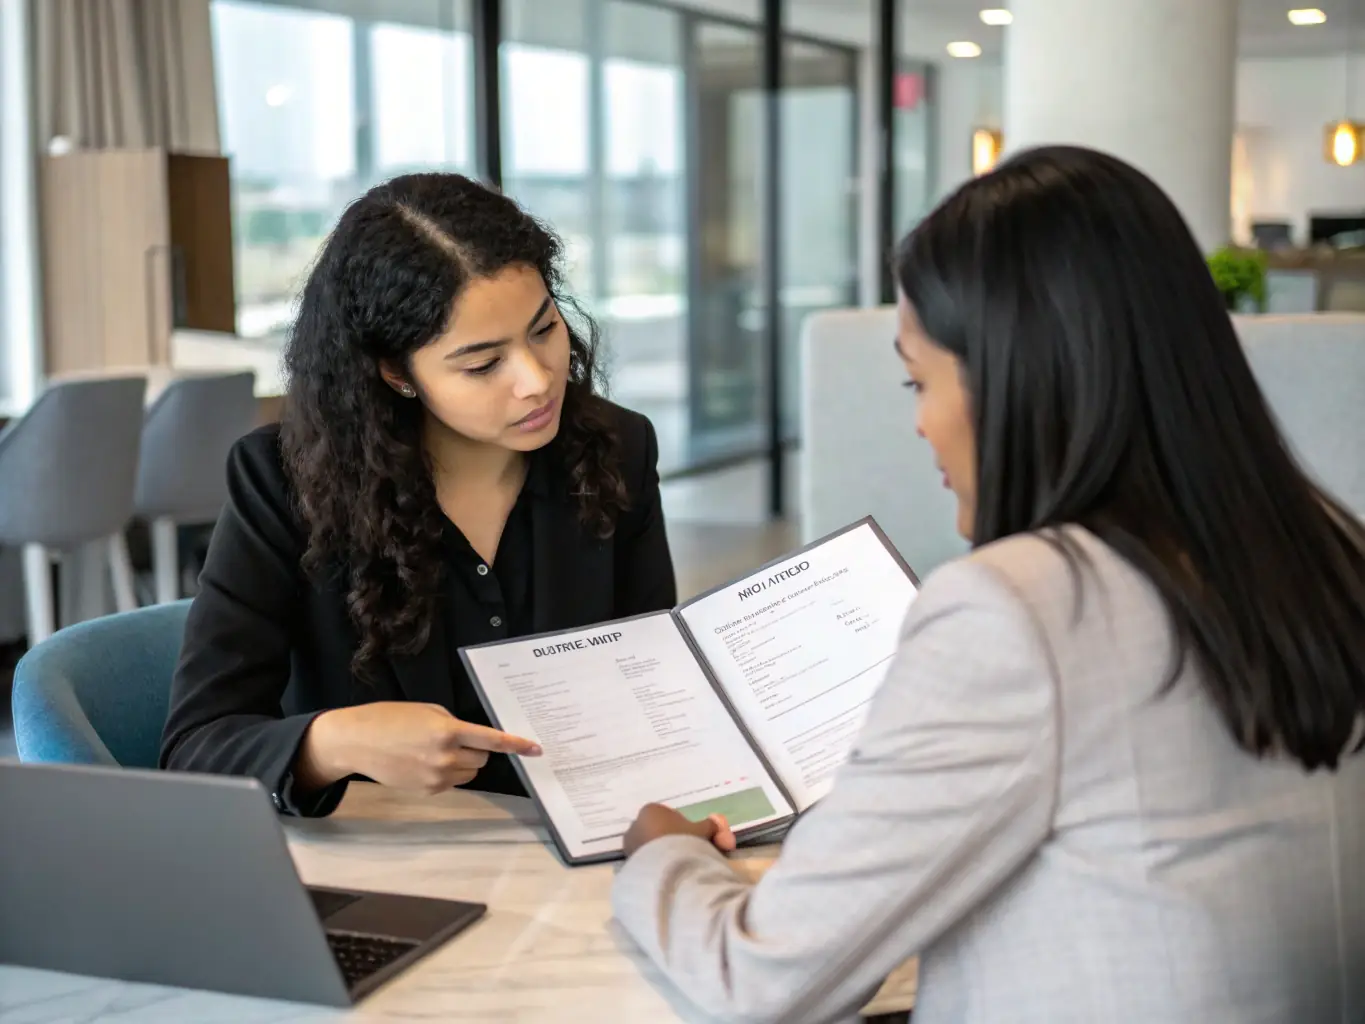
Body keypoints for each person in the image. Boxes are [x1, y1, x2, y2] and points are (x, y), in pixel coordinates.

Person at [611, 146, 1365, 1023]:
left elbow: (761, 979)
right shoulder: (1325, 548)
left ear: (1016, 378)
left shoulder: (1023, 606)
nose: (922, 424)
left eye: (917, 379)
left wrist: (662, 853)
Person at [159, 173, 677, 817]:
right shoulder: (284, 483)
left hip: (580, 844)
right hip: (387, 864)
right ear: (395, 372)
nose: (538, 380)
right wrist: (334, 744)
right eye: (483, 364)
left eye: (544, 329)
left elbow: (655, 673)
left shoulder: (617, 448)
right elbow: (196, 748)